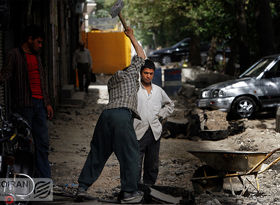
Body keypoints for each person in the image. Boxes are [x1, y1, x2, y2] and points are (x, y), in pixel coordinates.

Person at [76, 26, 146, 204]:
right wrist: (131, 36)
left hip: (105, 116)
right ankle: (129, 192)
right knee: (130, 154)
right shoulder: (130, 74)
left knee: (98, 153)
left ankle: (82, 188)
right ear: (130, 70)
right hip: (121, 117)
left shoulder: (112, 80)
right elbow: (141, 56)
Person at [0, 25, 54, 178]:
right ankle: (25, 180)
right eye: (38, 42)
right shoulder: (14, 54)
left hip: (40, 106)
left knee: (43, 144)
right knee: (25, 145)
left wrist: (47, 103)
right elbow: (5, 74)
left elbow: (42, 81)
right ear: (29, 39)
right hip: (24, 107)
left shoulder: (37, 57)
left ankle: (44, 181)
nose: (40, 45)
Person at [134, 59, 174, 185]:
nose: (148, 76)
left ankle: (149, 188)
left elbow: (170, 105)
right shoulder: (135, 90)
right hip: (138, 131)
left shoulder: (158, 90)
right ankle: (134, 189)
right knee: (136, 163)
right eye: (146, 73)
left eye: (151, 73)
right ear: (141, 73)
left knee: (152, 163)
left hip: (154, 132)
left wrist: (161, 114)